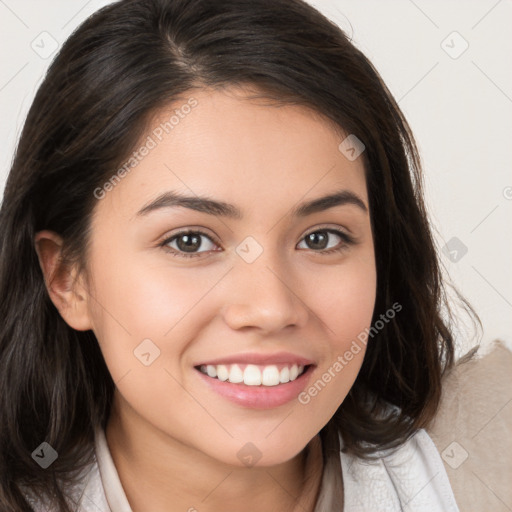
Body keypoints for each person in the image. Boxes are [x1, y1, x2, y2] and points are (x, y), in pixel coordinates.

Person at [0, 0, 481, 510]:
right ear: (68, 277)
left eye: (321, 238)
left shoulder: (487, 464)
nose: (271, 308)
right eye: (190, 241)